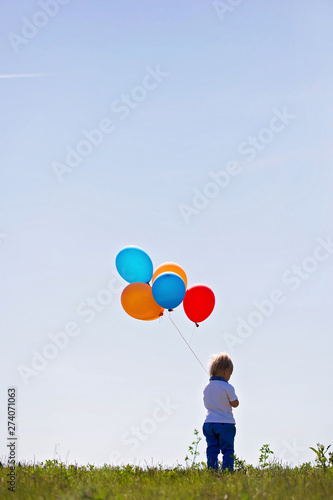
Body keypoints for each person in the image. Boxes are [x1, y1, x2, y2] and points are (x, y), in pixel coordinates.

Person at [202, 352, 239, 472]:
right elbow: (235, 403)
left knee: (212, 448)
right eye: (230, 374)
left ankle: (212, 470)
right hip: (225, 423)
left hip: (209, 423)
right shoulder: (228, 387)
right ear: (226, 371)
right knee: (227, 449)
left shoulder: (207, 387)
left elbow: (206, 402)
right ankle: (227, 471)